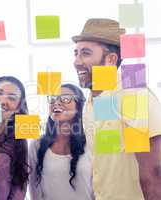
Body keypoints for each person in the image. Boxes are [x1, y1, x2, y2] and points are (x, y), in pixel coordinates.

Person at [72, 18, 161, 200]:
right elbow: (107, 165)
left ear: (111, 59)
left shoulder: (132, 94)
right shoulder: (91, 102)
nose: (76, 61)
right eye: (76, 53)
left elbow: (153, 171)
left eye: (86, 53)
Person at [29, 83, 94, 200]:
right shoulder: (36, 145)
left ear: (79, 107)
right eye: (53, 99)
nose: (57, 103)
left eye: (65, 98)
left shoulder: (91, 143)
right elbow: (34, 190)